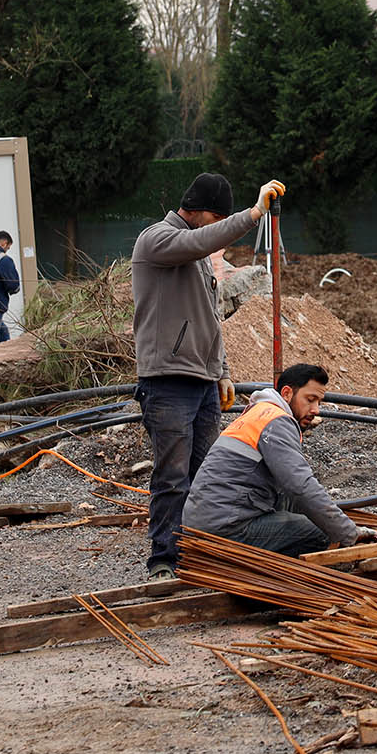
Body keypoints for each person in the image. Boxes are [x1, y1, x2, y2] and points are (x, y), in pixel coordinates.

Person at [133, 171, 285, 580]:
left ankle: (200, 554)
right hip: (167, 380)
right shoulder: (157, 240)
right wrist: (253, 214)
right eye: (215, 220)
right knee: (173, 476)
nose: (218, 230)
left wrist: (222, 372)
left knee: (204, 475)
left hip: (201, 381)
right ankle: (164, 558)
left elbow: (210, 320)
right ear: (198, 211)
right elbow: (200, 240)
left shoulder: (199, 256)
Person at [184, 362, 377, 557]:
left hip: (204, 523)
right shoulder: (276, 421)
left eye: (319, 402)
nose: (316, 410)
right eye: (310, 400)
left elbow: (293, 490)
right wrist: (348, 533)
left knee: (300, 507)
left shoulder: (259, 413)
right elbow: (301, 486)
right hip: (225, 529)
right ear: (287, 393)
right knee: (322, 533)